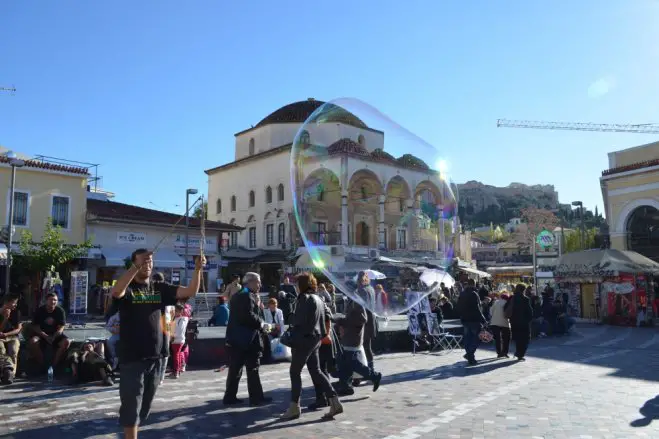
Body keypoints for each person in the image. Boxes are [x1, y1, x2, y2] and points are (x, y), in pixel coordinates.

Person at [111, 248, 205, 439]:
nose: (148, 264)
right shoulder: (128, 287)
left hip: (156, 356)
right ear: (134, 263)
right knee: (131, 404)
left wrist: (197, 270)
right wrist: (133, 268)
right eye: (143, 261)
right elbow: (116, 291)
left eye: (150, 261)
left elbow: (190, 291)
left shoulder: (159, 287)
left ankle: (131, 429)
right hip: (132, 356)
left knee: (144, 407)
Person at [281, 272, 343, 421]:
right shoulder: (319, 298)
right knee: (316, 371)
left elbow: (297, 321)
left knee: (294, 372)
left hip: (304, 340)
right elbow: (328, 316)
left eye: (297, 284)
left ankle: (294, 407)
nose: (295, 287)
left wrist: (287, 309)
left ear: (301, 285)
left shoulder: (304, 298)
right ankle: (334, 401)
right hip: (316, 340)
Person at [223, 272, 273, 407]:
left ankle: (230, 397)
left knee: (235, 369)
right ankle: (256, 398)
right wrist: (262, 324)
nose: (260, 285)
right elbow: (248, 316)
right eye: (258, 282)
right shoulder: (246, 296)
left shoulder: (239, 296)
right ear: (249, 282)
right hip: (248, 340)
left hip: (237, 339)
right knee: (252, 369)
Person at [333, 296, 383, 396]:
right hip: (349, 337)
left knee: (353, 363)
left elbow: (362, 319)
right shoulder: (353, 300)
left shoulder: (357, 301)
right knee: (345, 363)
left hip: (353, 338)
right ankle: (346, 386)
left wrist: (341, 320)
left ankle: (374, 376)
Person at [28, 292, 71, 372]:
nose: (53, 302)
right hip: (41, 334)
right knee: (33, 341)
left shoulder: (60, 311)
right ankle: (42, 365)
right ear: (46, 301)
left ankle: (54, 366)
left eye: (55, 300)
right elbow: (35, 326)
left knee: (67, 342)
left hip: (55, 334)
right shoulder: (39, 311)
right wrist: (45, 336)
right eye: (51, 300)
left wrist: (56, 335)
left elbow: (61, 326)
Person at [457, 279, 486, 365]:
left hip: (465, 319)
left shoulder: (462, 294)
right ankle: (470, 354)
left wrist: (462, 315)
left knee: (467, 338)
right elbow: (477, 309)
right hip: (474, 320)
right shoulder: (474, 294)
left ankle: (470, 356)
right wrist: (483, 319)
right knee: (478, 338)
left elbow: (458, 307)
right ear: (473, 284)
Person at [355, 271, 378, 376]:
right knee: (367, 347)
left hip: (363, 321)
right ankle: (370, 369)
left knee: (362, 347)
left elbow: (361, 308)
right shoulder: (371, 289)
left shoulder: (361, 290)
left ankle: (367, 371)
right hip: (371, 320)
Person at [508, 284, 533, 361]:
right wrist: (528, 320)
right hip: (524, 323)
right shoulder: (525, 299)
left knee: (518, 339)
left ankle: (518, 352)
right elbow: (530, 312)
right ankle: (520, 354)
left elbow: (507, 308)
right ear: (523, 290)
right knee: (525, 339)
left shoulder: (512, 298)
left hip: (514, 322)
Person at [0, 294, 22, 383]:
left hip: (12, 336)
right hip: (1, 337)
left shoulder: (17, 312)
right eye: (14, 303)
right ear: (6, 303)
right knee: (1, 350)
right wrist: (5, 319)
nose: (15, 305)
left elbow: (18, 329)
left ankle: (11, 374)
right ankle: (4, 372)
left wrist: (6, 334)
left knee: (13, 350)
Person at [170, 305, 189, 379]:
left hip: (177, 340)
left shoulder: (182, 320)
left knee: (176, 356)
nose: (175, 312)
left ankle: (176, 372)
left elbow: (179, 331)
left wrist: (172, 336)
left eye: (176, 311)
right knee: (177, 355)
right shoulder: (178, 319)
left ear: (181, 311)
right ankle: (178, 370)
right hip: (177, 339)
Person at [490, 293, 511, 358]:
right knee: (506, 338)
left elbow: (491, 312)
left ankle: (499, 352)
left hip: (494, 323)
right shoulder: (508, 303)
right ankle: (505, 352)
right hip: (505, 323)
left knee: (497, 339)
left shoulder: (496, 302)